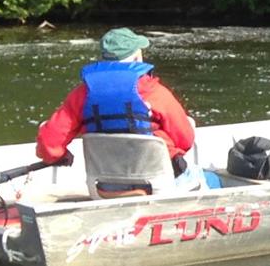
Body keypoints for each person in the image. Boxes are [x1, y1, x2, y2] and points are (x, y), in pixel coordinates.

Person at [35, 27, 204, 189]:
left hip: (104, 188)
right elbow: (185, 140)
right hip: (160, 184)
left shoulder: (82, 94)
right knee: (209, 178)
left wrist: (61, 156)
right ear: (137, 57)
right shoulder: (154, 92)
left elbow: (49, 142)